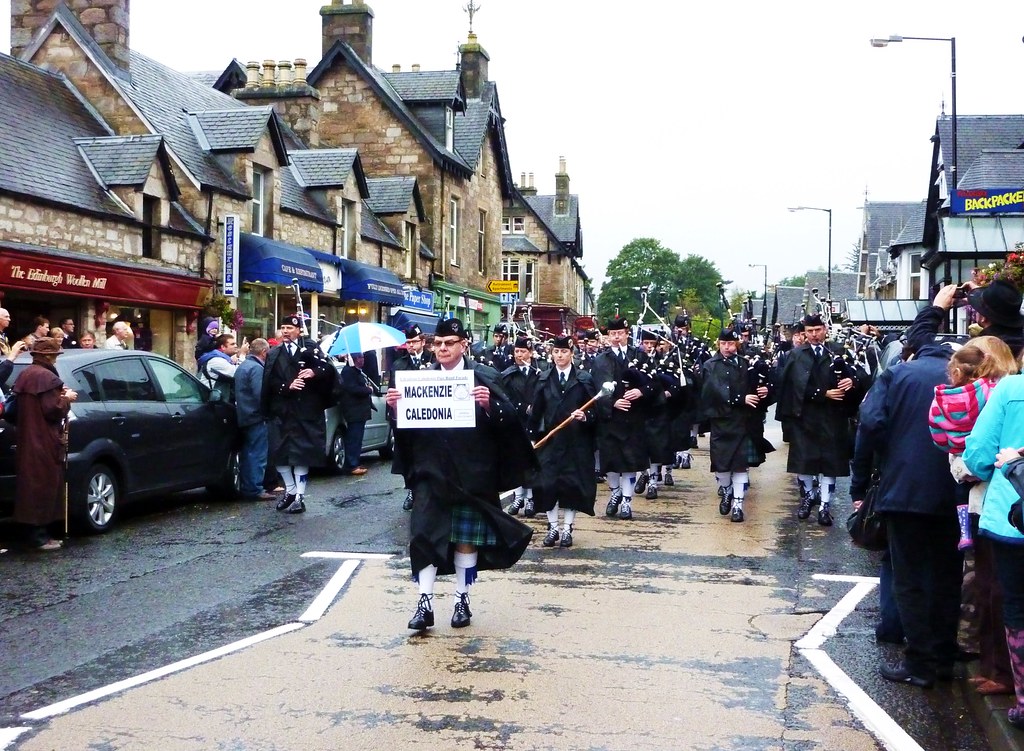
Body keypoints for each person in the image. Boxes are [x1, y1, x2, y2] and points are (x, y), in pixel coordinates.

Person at [386, 317, 536, 631]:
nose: (442, 348)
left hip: (471, 473)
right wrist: (397, 411)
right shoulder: (419, 380)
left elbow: (510, 420)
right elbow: (407, 430)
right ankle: (424, 604)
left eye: (449, 343)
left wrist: (489, 407)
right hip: (431, 471)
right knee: (424, 536)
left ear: (463, 345)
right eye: (437, 343)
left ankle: (461, 599)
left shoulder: (484, 377)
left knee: (465, 543)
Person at [859, 335, 960, 689]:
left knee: (910, 578)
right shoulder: (963, 377)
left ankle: (920, 662)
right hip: (954, 491)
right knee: (948, 576)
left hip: (904, 490)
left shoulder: (898, 374)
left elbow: (870, 423)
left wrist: (869, 474)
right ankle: (945, 655)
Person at [929, 337, 1019, 697]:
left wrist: (959, 463)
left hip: (1001, 505)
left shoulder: (1005, 392)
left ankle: (1003, 673)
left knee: (997, 590)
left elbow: (977, 460)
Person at [964, 367, 1024, 728]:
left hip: (1012, 514)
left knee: (1016, 605)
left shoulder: (1012, 388)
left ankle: (1022, 700)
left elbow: (979, 454)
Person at [774, 313, 867, 525]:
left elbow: (862, 375)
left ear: (825, 329)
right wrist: (821, 393)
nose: (814, 335)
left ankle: (825, 506)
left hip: (833, 417)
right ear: (804, 333)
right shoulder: (796, 355)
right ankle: (807, 497)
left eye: (818, 330)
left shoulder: (838, 351)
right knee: (804, 462)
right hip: (804, 417)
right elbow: (789, 386)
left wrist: (852, 382)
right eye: (810, 331)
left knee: (829, 463)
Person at [261, 315, 336, 514]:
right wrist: (287, 386)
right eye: (283, 327)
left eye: (289, 328)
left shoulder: (310, 349)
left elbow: (328, 370)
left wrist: (314, 372)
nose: (285, 331)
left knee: (302, 454)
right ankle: (291, 491)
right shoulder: (274, 353)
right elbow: (270, 382)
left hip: (305, 411)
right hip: (282, 411)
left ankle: (300, 497)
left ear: (298, 331)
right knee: (280, 454)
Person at [699, 329, 773, 522]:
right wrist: (740, 399)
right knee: (722, 468)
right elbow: (711, 393)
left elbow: (755, 389)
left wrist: (764, 390)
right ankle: (726, 490)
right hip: (721, 422)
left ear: (736, 344)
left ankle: (738, 505)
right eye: (724, 344)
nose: (727, 347)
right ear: (718, 344)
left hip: (743, 422)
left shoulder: (745, 364)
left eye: (731, 344)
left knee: (741, 466)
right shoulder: (709, 365)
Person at [529, 335, 597, 547]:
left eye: (564, 352)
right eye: (556, 352)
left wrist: (585, 416)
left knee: (572, 485)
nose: (560, 356)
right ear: (552, 354)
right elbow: (535, 412)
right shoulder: (543, 379)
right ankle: (552, 528)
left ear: (572, 354)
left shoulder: (583, 379)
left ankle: (567, 528)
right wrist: (532, 437)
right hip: (550, 440)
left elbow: (596, 411)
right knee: (547, 484)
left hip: (575, 441)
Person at [12, 337, 77, 550]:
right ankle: (39, 536)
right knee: (44, 485)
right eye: (55, 355)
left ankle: (31, 534)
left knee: (30, 485)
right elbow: (53, 410)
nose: (56, 360)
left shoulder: (26, 374)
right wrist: (67, 398)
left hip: (27, 438)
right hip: (44, 439)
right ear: (48, 356)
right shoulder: (46, 377)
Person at [590, 316, 654, 521]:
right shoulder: (601, 360)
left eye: (620, 333)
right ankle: (615, 492)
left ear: (627, 334)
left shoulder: (640, 356)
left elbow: (654, 382)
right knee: (610, 463)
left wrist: (642, 391)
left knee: (629, 461)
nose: (616, 337)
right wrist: (612, 403)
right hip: (609, 419)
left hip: (634, 418)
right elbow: (595, 389)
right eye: (612, 334)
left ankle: (626, 500)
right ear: (608, 336)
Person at [391, 324, 433, 511]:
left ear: (422, 342)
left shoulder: (433, 361)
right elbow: (393, 389)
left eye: (414, 342)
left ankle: (428, 490)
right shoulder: (399, 364)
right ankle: (411, 489)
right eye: (407, 342)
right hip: (407, 419)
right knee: (408, 456)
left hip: (430, 418)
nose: (410, 346)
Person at [502, 336, 541, 516]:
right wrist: (524, 407)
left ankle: (531, 498)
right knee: (516, 461)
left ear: (530, 353)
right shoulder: (508, 374)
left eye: (523, 351)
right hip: (516, 421)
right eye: (516, 351)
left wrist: (536, 408)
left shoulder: (539, 372)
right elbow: (506, 398)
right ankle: (518, 497)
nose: (519, 355)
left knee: (532, 461)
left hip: (535, 423)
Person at [234, 338, 275, 502]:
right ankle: (254, 488)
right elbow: (261, 395)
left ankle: (248, 486)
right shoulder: (257, 369)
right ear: (264, 352)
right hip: (256, 417)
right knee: (257, 454)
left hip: (245, 415)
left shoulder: (243, 366)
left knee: (249, 453)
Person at [338, 351, 373, 476]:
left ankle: (355, 462)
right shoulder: (348, 371)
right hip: (354, 410)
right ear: (353, 359)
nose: (362, 360)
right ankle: (352, 465)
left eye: (362, 357)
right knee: (354, 437)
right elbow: (352, 389)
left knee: (357, 438)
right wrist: (368, 389)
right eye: (359, 357)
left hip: (359, 410)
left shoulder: (357, 371)